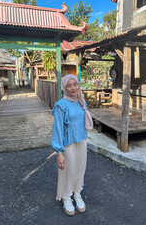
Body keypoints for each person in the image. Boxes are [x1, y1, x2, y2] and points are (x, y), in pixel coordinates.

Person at [51, 74, 93, 216]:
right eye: (69, 85)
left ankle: (77, 192)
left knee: (80, 169)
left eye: (75, 84)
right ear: (64, 87)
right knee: (68, 170)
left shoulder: (81, 101)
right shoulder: (60, 106)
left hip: (81, 140)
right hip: (68, 144)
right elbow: (57, 130)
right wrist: (59, 153)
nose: (73, 88)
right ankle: (66, 196)